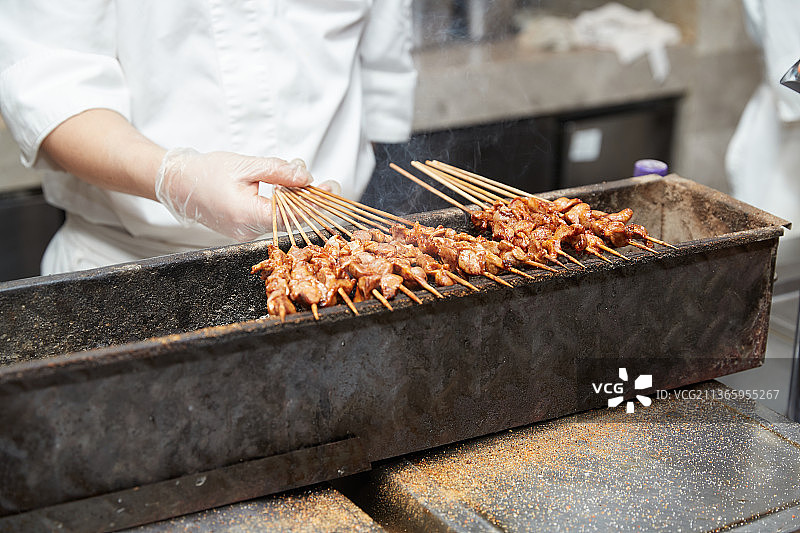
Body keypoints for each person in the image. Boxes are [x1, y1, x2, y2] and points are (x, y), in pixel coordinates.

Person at [0, 1, 417, 274]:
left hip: (337, 264)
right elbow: (52, 83)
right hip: (134, 268)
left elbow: (381, 71)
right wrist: (175, 178)